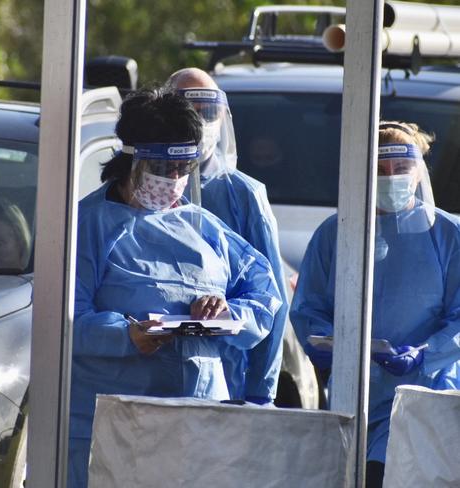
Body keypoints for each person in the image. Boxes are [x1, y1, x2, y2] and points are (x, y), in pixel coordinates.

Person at [71, 87, 282, 487]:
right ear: (129, 158)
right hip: (119, 427)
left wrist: (228, 313)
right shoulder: (89, 226)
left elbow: (264, 293)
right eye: (163, 169)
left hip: (201, 421)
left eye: (184, 170)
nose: (174, 181)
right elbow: (63, 321)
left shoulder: (202, 226)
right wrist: (126, 335)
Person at [290, 121, 460, 487]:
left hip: (425, 393)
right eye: (380, 170)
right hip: (354, 391)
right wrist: (325, 343)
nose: (391, 178)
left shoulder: (448, 233)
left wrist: (427, 354)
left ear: (419, 172)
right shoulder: (337, 232)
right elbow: (309, 307)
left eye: (401, 169)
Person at [167, 68, 289, 406]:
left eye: (209, 112)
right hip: (153, 376)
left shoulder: (243, 194)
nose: (200, 121)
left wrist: (260, 391)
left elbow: (272, 297)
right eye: (188, 110)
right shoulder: (143, 189)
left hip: (226, 379)